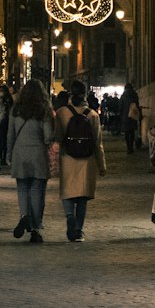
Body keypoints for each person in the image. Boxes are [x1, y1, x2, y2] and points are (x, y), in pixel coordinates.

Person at [53, 79, 106, 242]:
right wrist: (101, 165)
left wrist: (54, 160)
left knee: (68, 192)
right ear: (85, 95)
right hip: (87, 159)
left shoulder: (62, 112)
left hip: (67, 157)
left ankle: (69, 216)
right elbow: (98, 142)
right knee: (82, 196)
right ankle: (78, 230)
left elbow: (57, 137)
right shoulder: (92, 115)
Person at [7, 78, 55, 242]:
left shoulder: (16, 109)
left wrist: (9, 154)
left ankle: (24, 215)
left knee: (22, 188)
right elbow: (48, 136)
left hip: (19, 153)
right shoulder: (44, 110)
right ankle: (35, 228)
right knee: (36, 191)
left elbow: (10, 135)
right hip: (38, 155)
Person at [119, 81, 141, 153]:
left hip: (125, 116)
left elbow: (120, 107)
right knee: (132, 132)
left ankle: (129, 148)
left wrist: (121, 114)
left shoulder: (123, 96)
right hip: (133, 115)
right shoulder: (135, 95)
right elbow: (137, 105)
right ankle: (131, 147)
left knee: (126, 132)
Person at [0, 82, 13, 170]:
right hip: (5, 122)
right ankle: (3, 158)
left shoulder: (0, 99)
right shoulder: (8, 99)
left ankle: (1, 157)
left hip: (3, 123)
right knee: (4, 141)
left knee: (0, 141)